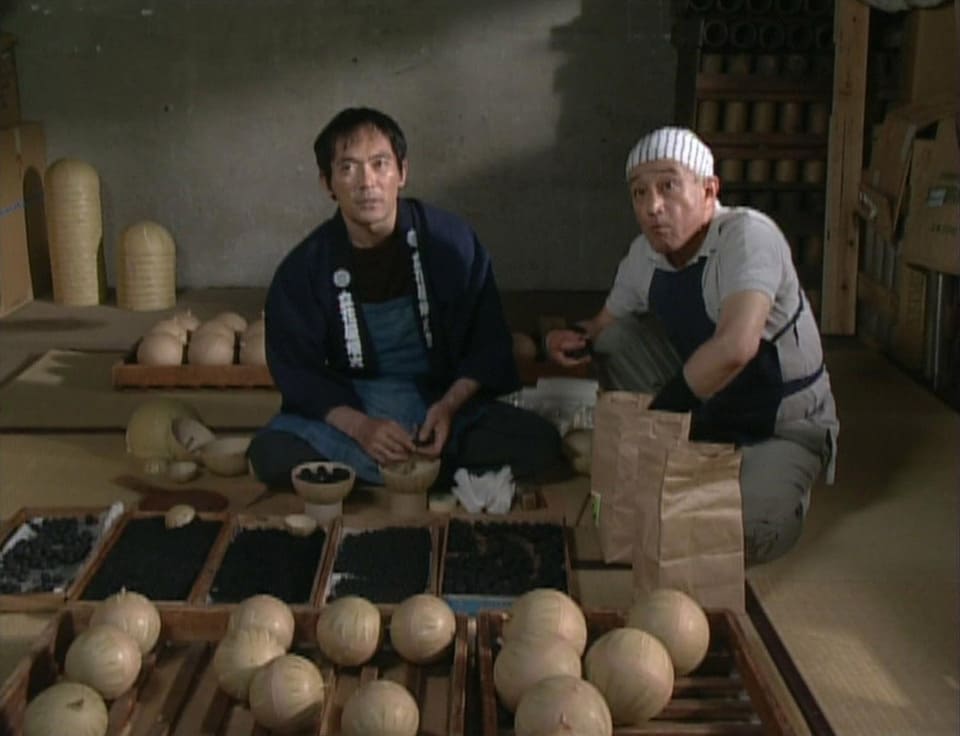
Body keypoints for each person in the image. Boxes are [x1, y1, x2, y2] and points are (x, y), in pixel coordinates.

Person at [544, 126, 838, 564]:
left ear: (709, 190)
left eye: (668, 186)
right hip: (709, 411)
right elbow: (604, 326)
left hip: (780, 424)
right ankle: (685, 453)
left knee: (743, 532)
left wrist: (658, 414)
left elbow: (736, 346)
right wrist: (568, 337)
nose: (652, 207)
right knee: (616, 341)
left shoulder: (749, 237)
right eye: (639, 192)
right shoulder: (644, 255)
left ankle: (775, 479)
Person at [248, 107, 563, 492]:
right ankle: (423, 476)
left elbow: (487, 341)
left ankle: (378, 476)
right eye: (348, 168)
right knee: (270, 454)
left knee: (540, 443)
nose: (367, 182)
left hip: (437, 401)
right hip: (355, 406)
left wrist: (447, 409)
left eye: (380, 164)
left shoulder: (450, 242)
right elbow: (298, 371)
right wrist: (361, 428)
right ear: (327, 183)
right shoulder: (305, 268)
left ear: (402, 172)